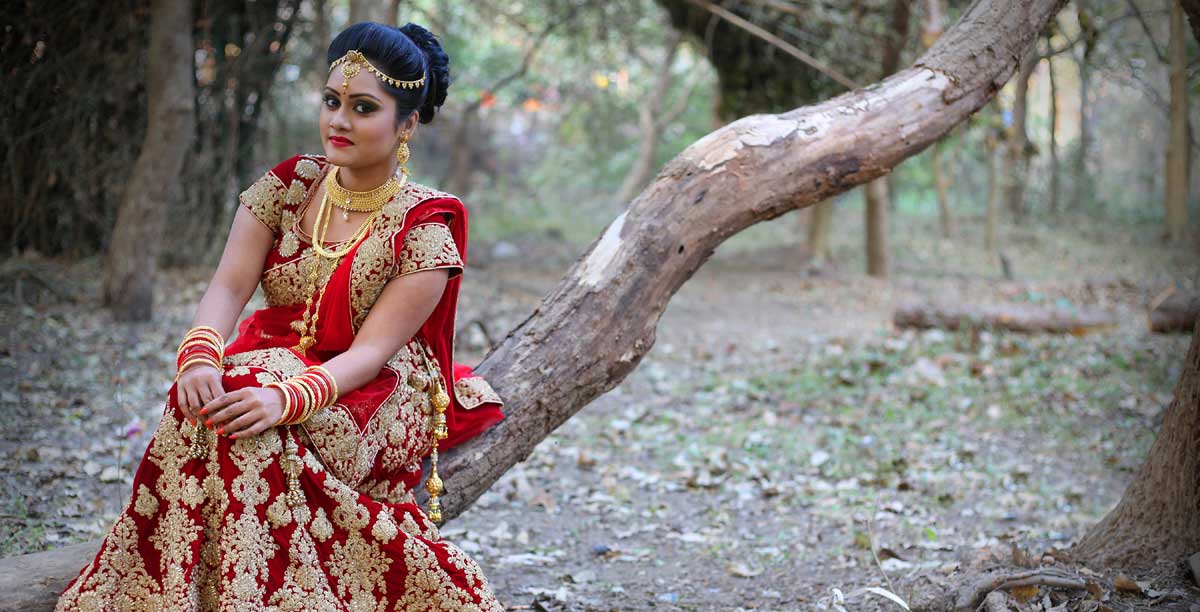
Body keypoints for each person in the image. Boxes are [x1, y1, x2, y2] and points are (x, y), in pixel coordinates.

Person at [56, 21, 506, 611]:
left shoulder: (425, 229)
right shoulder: (291, 184)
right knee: (209, 397)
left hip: (377, 386)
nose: (338, 121)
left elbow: (372, 353)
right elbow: (229, 285)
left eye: (363, 108)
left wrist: (285, 399)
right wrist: (199, 356)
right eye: (331, 101)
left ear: (407, 124)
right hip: (276, 355)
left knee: (255, 419)